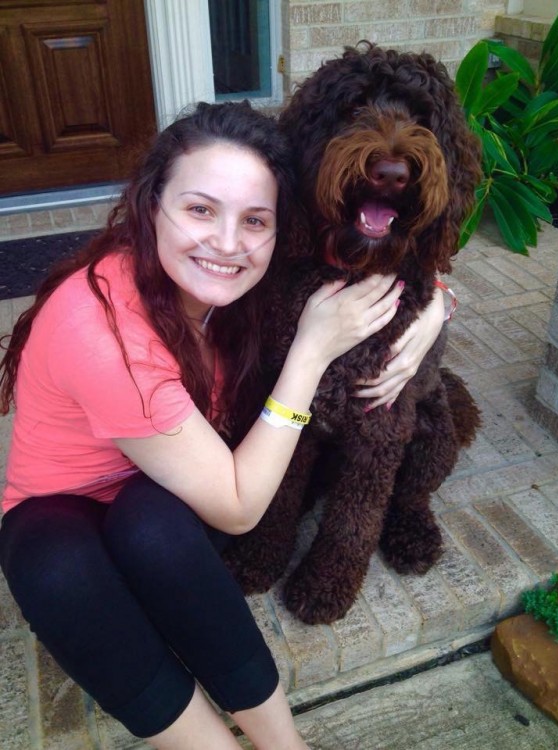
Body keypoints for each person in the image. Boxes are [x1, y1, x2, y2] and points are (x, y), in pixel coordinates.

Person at [0, 101, 446, 750]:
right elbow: (238, 510)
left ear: (279, 229)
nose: (227, 243)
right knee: (55, 573)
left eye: (254, 220)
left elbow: (394, 247)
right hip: (63, 503)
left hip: (168, 495)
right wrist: (309, 354)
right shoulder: (100, 327)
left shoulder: (249, 275)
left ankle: (282, 743)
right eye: (200, 209)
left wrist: (435, 304)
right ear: (151, 204)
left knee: (149, 527)